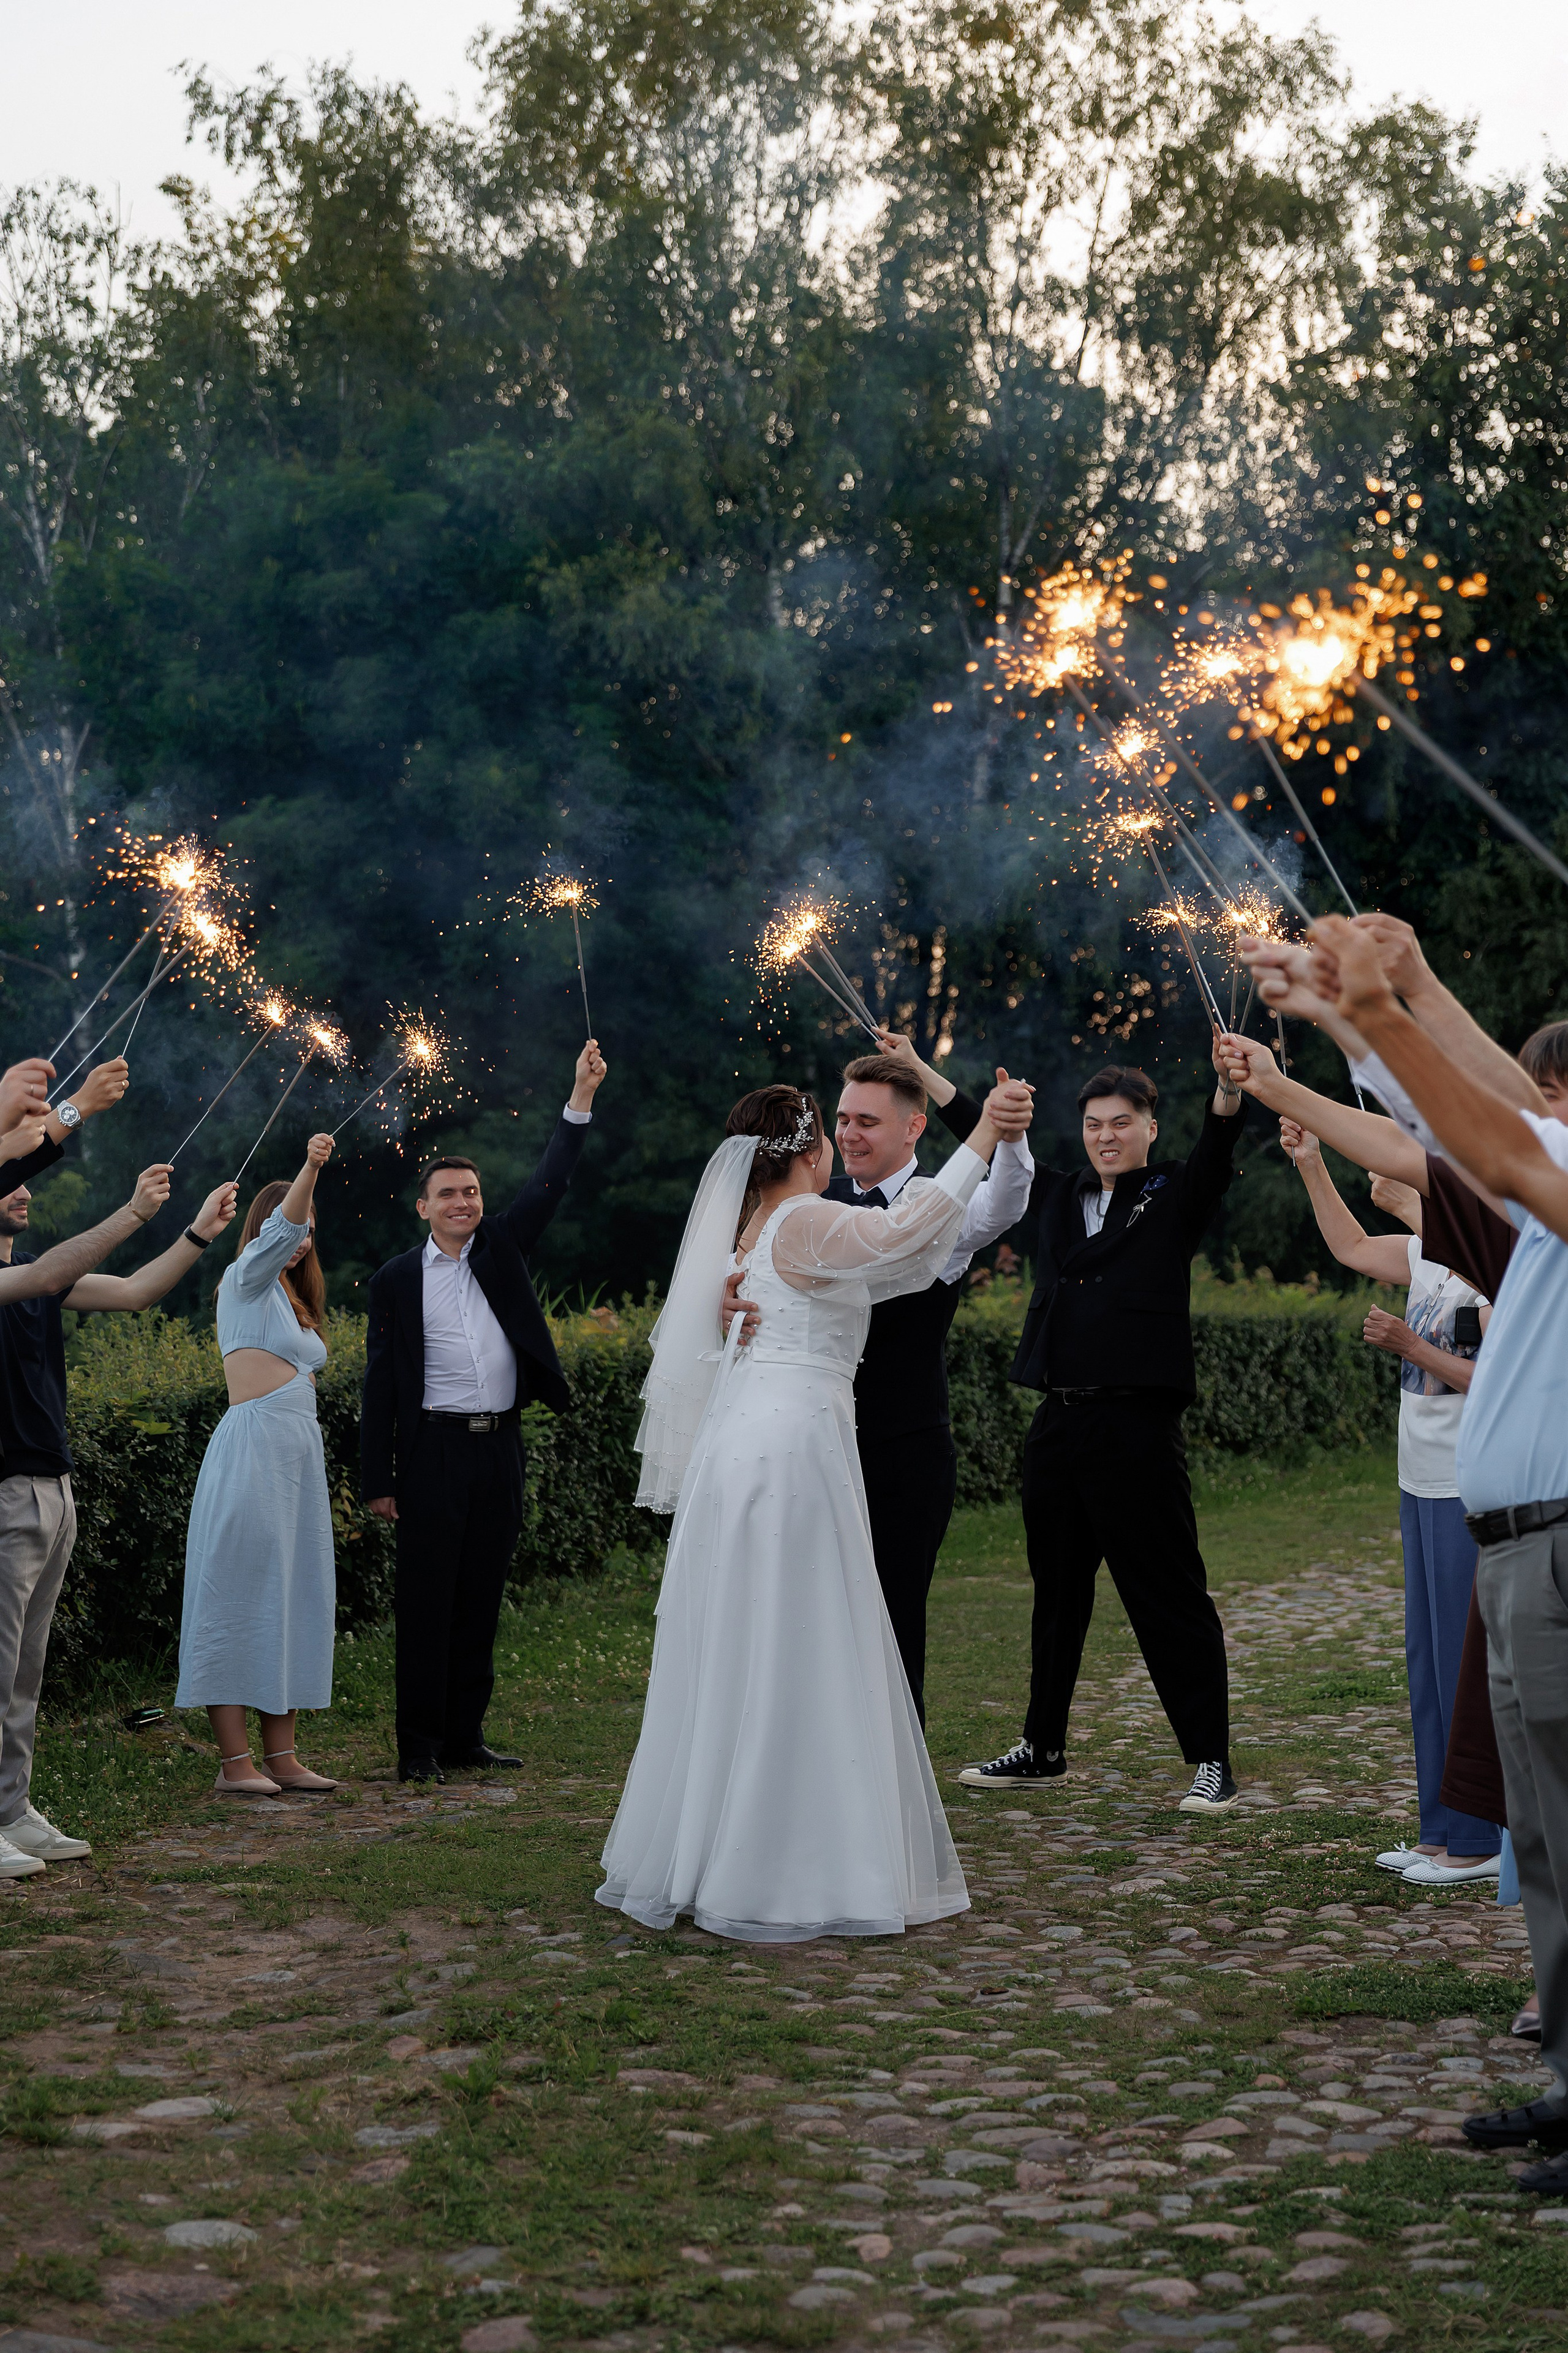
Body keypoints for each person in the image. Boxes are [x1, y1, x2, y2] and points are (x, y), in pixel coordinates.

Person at [1276, 917, 1568, 2191]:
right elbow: (1498, 1114)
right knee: (1546, 1847)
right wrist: (1407, 991)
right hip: (1519, 1545)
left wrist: (1369, 1016)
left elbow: (1490, 1138)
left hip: (1555, 1546)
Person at [600, 1078, 1009, 1941]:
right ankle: (779, 1861)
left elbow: (901, 1264)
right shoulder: (803, 1219)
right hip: (790, 1446)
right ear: (812, 1151)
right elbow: (903, 1231)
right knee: (799, 1637)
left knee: (754, 1640)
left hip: (751, 1439)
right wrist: (978, 1144)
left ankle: (728, 1843)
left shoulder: (751, 1231)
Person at [960, 1035, 1246, 1811]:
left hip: (1136, 1430)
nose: (1106, 1135)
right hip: (1057, 1424)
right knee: (1055, 1594)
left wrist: (1227, 1088)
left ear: (1149, 1126)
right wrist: (921, 1066)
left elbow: (1220, 1145)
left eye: (1121, 1122)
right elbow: (970, 1130)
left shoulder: (1175, 1193)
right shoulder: (1053, 1194)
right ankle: (1042, 1744)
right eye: (1093, 1124)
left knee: (1167, 1593)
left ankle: (1211, 1760)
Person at [723, 1040, 1035, 1721]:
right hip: (807, 1447)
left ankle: (891, 1770)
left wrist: (1001, 1132)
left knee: (893, 1617)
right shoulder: (802, 1204)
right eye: (842, 1119)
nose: (848, 1132)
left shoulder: (940, 1208)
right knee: (806, 1615)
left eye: (866, 1120)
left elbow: (1006, 1199)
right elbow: (739, 1274)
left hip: (903, 1447)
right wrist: (721, 1300)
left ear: (912, 1127)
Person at [361, 1041, 608, 1783]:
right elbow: (379, 1385)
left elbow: (551, 1182)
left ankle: (466, 1737)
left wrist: (580, 1095)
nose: (463, 1202)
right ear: (424, 1207)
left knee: (481, 1596)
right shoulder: (396, 1280)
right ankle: (419, 1747)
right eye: (449, 1195)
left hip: (499, 1447)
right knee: (427, 1602)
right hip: (432, 1452)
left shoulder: (502, 1246)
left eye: (471, 1191)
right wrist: (380, 1477)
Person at [1275, 1113, 1498, 1884]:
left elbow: (1500, 1376)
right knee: (1426, 1663)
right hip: (1418, 1477)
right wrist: (1310, 1163)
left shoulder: (1494, 1264)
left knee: (1463, 1665)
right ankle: (1437, 1832)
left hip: (1471, 1483)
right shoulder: (1429, 1259)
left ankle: (1478, 1840)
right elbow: (1348, 1247)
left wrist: (1414, 1349)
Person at [0, 1154, 219, 1875]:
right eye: (13, 1178)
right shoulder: (16, 1278)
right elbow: (44, 1276)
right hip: (4, 1491)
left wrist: (194, 1234)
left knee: (24, 1671)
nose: (25, 1190)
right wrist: (132, 1211)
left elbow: (130, 1292)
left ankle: (11, 1810)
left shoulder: (35, 1270)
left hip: (50, 1489)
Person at [176, 1137, 339, 1796]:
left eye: (310, 1235)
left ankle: (283, 1756)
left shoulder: (290, 1299)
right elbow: (284, 1229)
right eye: (292, 1232)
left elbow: (294, 1236)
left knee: (293, 1593)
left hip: (296, 1466)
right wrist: (311, 1167)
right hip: (251, 1457)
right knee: (238, 1595)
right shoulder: (245, 1276)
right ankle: (233, 1763)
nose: (302, 1242)